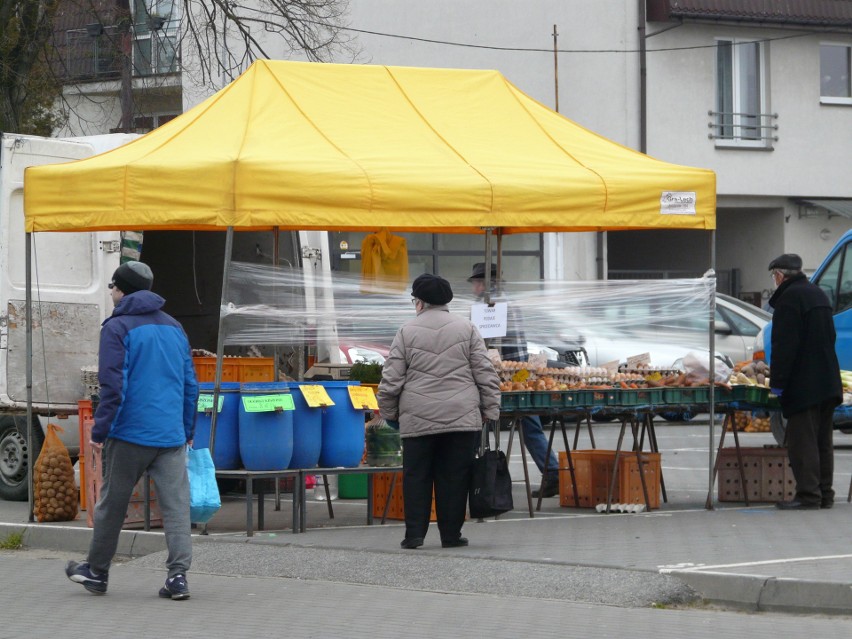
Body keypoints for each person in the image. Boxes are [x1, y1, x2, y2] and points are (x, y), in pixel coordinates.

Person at [65, 261, 199, 597]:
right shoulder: (175, 328)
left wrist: (100, 432)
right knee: (177, 507)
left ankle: (97, 572)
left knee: (112, 504)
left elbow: (112, 386)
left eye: (112, 286)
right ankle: (178, 577)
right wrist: (186, 429)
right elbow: (190, 385)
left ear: (122, 289)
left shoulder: (117, 328)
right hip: (170, 436)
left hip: (129, 435)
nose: (110, 292)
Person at [378, 273, 500, 549]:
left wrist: (390, 414)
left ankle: (414, 535)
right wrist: (490, 411)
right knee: (455, 478)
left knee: (416, 476)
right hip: (461, 418)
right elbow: (485, 373)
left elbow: (391, 380)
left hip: (417, 418)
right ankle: (451, 535)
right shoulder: (467, 328)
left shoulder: (406, 332)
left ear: (419, 302)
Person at [468, 263, 560, 498]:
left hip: (505, 375)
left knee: (489, 426)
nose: (474, 287)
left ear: (488, 284)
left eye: (478, 282)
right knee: (530, 426)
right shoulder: (503, 302)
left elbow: (483, 343)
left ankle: (484, 479)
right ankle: (552, 471)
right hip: (518, 373)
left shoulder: (492, 306)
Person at [767, 253, 842, 510]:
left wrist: (777, 383)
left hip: (804, 384)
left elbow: (784, 346)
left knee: (803, 442)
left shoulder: (789, 299)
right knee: (823, 440)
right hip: (827, 380)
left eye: (773, 276)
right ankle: (825, 494)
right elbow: (829, 337)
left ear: (779, 275)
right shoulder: (818, 294)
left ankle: (809, 496)